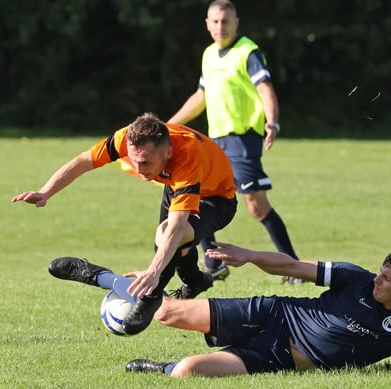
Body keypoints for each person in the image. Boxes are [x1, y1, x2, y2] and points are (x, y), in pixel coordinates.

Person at [47, 242, 391, 377]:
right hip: (274, 314)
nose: (376, 279)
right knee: (164, 313)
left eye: (386, 279)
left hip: (278, 359)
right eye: (379, 271)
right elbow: (292, 265)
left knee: (187, 372)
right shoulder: (352, 276)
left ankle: (157, 367)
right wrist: (249, 255)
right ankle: (99, 276)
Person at [12, 113, 237, 335]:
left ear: (167, 152)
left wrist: (152, 272)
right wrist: (45, 192)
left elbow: (177, 226)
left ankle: (150, 298)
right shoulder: (126, 137)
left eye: (145, 162)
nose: (138, 170)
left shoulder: (187, 155)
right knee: (172, 245)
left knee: (169, 236)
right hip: (175, 186)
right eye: (133, 160)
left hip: (217, 200)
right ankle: (195, 281)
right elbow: (83, 161)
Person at [168, 0, 302, 284]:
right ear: (207, 24)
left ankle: (294, 268)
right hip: (215, 142)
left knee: (257, 207)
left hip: (242, 140)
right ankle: (213, 264)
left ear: (236, 22)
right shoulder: (208, 55)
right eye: (215, 21)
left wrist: (272, 121)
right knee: (198, 197)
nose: (220, 27)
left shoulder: (247, 51)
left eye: (225, 21)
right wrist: (170, 125)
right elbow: (201, 96)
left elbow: (265, 88)